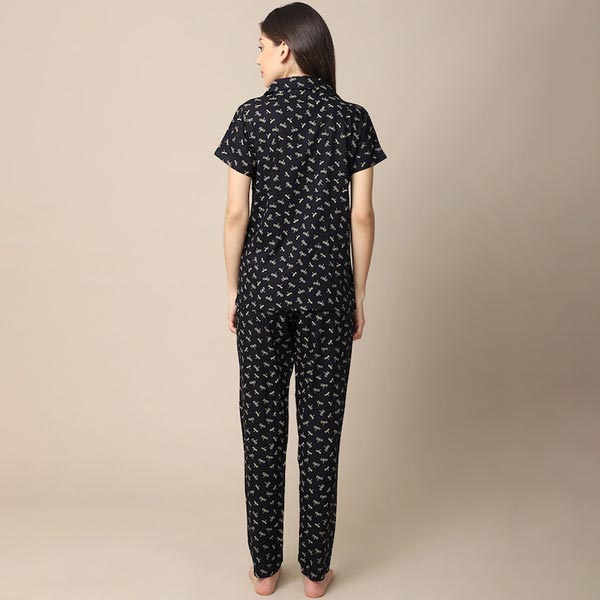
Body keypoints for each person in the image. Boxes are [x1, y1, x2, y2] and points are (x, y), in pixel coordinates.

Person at [214, 2, 387, 597]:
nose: (258, 57)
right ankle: (315, 573)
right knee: (320, 435)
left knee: (261, 433)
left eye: (261, 46)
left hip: (262, 294)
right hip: (328, 295)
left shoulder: (251, 117)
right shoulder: (352, 119)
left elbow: (235, 214)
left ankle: (265, 571)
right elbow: (362, 217)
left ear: (286, 48)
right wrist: (357, 294)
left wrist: (234, 288)